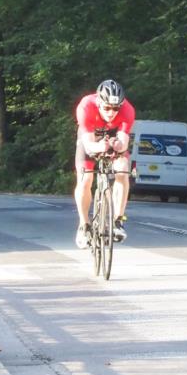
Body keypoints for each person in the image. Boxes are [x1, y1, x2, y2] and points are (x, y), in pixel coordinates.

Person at [74, 79, 135, 249]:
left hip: (113, 135)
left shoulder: (127, 110)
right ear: (99, 103)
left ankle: (117, 221)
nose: (111, 112)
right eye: (107, 108)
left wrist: (117, 146)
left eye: (115, 108)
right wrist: (100, 147)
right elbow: (88, 144)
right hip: (91, 136)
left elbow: (123, 141)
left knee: (122, 171)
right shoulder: (86, 107)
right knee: (85, 179)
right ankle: (84, 225)